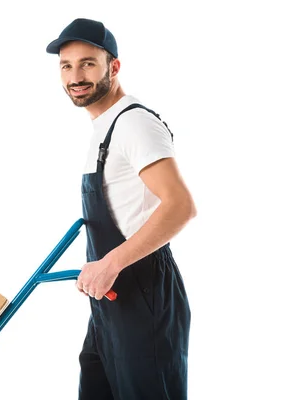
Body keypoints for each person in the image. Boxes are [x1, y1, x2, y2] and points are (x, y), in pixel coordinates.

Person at [46, 18, 197, 400]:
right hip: (110, 302)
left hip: (143, 292)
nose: (75, 75)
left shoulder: (134, 124)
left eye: (87, 63)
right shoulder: (103, 127)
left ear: (113, 67)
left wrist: (109, 263)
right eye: (66, 66)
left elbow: (180, 205)